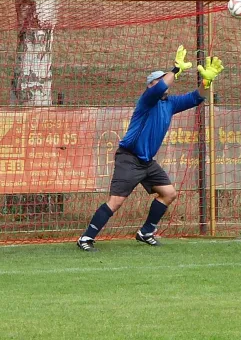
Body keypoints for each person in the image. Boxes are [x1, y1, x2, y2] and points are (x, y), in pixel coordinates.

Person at [77, 46, 224, 252]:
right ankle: (86, 238)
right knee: (116, 202)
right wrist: (174, 70)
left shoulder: (169, 103)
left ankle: (146, 232)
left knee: (169, 193)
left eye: (163, 80)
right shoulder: (147, 100)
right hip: (129, 158)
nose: (163, 83)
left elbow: (196, 98)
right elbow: (159, 87)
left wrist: (206, 81)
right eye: (158, 80)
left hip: (146, 162)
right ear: (150, 85)